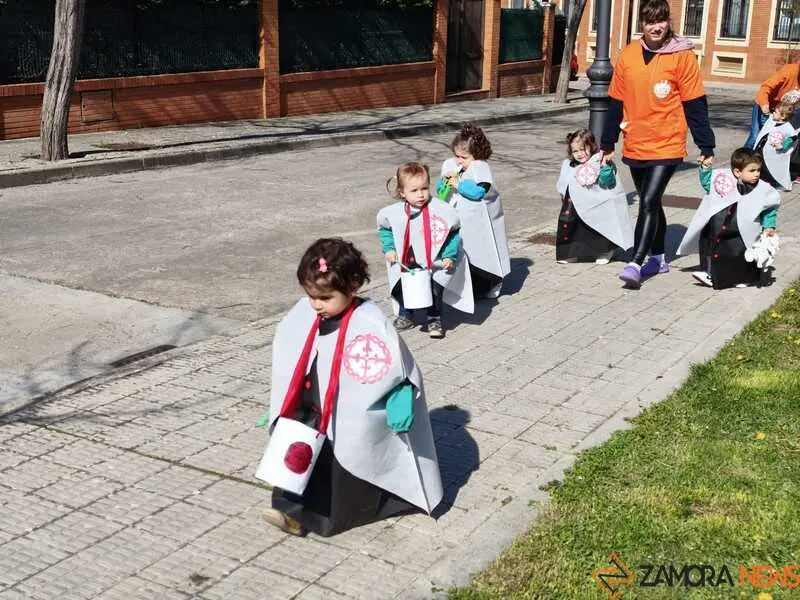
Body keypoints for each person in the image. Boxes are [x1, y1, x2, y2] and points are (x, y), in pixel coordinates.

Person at [258, 238, 443, 537]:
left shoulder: (371, 323)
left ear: (353, 287)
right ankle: (289, 510)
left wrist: (400, 394)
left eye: (325, 297)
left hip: (348, 415)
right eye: (310, 296)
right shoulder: (305, 314)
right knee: (298, 457)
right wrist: (282, 401)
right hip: (312, 408)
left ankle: (312, 517)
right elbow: (292, 356)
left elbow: (396, 365)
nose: (316, 304)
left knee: (338, 468)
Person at [600, 0, 715, 290]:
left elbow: (695, 103)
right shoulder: (628, 54)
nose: (656, 27)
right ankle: (660, 258)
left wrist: (706, 145)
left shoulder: (682, 56)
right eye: (650, 21)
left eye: (661, 20)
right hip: (636, 141)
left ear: (668, 21)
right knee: (650, 202)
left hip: (668, 142)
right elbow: (616, 101)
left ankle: (636, 262)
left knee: (649, 201)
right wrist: (607, 142)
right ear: (642, 23)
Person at [379, 162, 474, 338]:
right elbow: (386, 230)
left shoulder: (441, 210)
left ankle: (434, 318)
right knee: (404, 287)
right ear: (402, 192)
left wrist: (449, 255)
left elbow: (452, 233)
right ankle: (406, 314)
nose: (421, 194)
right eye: (414, 190)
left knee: (434, 289)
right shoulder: (394, 213)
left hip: (434, 260)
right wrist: (389, 248)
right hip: (408, 259)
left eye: (424, 188)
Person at [677, 148, 780, 289]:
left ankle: (745, 278)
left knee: (741, 254)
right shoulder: (724, 180)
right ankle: (711, 274)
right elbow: (709, 184)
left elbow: (769, 210)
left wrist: (769, 226)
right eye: (752, 171)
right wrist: (705, 168)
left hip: (742, 230)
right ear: (737, 172)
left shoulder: (763, 190)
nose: (756, 174)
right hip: (718, 225)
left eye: (758, 170)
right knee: (712, 250)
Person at [437, 123, 511, 299]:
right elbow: (441, 192)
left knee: (486, 253)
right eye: (457, 156)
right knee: (467, 252)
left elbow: (479, 193)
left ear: (476, 155)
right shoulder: (456, 168)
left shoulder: (480, 169)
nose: (459, 161)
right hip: (464, 222)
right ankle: (472, 287)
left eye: (464, 157)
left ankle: (494, 281)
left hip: (482, 224)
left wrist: (459, 185)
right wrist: (444, 183)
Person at [555, 129, 634, 264]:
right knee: (575, 229)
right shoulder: (569, 164)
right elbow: (564, 183)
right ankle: (572, 252)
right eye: (575, 151)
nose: (579, 154)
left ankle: (605, 251)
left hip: (598, 204)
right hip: (574, 205)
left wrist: (605, 168)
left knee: (599, 226)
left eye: (582, 149)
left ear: (591, 147)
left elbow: (609, 183)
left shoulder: (599, 161)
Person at [744, 62, 800, 151]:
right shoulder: (789, 70)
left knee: (778, 137)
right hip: (766, 105)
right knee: (756, 136)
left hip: (783, 111)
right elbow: (766, 87)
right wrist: (764, 104)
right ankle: (743, 158)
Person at [753, 102, 798, 191]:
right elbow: (767, 119)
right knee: (760, 166)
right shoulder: (772, 121)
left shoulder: (787, 127)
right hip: (762, 150)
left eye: (776, 112)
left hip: (773, 155)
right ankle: (761, 180)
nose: (773, 113)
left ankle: (775, 183)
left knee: (771, 169)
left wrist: (782, 145)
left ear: (783, 116)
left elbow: (792, 138)